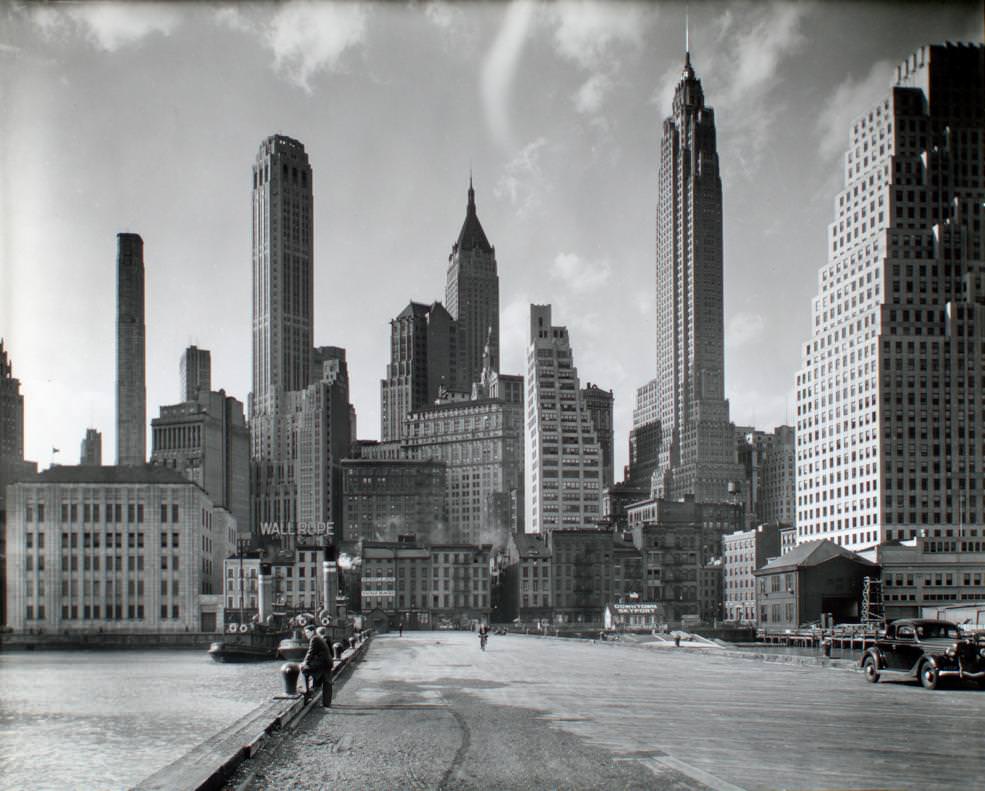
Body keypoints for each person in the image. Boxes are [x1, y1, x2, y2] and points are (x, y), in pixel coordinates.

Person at [301, 623, 334, 707]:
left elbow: (310, 652)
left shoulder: (314, 639)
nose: (306, 634)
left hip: (323, 664)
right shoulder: (318, 638)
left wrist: (304, 663)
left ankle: (306, 692)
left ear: (312, 631)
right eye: (305, 632)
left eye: (307, 632)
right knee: (327, 682)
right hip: (327, 663)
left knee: (304, 670)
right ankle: (326, 703)